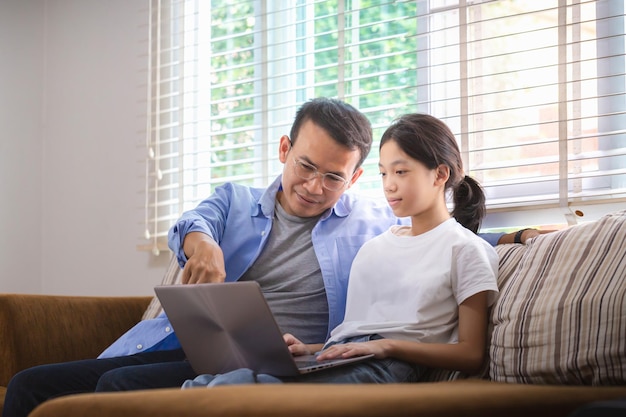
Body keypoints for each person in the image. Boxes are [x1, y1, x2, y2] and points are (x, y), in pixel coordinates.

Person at [2, 100, 522, 416]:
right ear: (283, 149)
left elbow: (443, 234)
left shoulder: (373, 223)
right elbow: (190, 222)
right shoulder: (234, 201)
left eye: (334, 177)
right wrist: (199, 243)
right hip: (194, 346)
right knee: (29, 383)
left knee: (117, 389)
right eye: (306, 166)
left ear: (354, 178)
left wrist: (518, 234)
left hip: (287, 358)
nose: (316, 187)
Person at [182, 112, 499, 387]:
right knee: (210, 382)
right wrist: (310, 349)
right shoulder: (376, 246)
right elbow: (357, 333)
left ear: (440, 175)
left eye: (400, 172)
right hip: (342, 355)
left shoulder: (465, 249)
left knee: (240, 388)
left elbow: (470, 354)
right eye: (384, 172)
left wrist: (387, 347)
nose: (389, 184)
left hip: (387, 365)